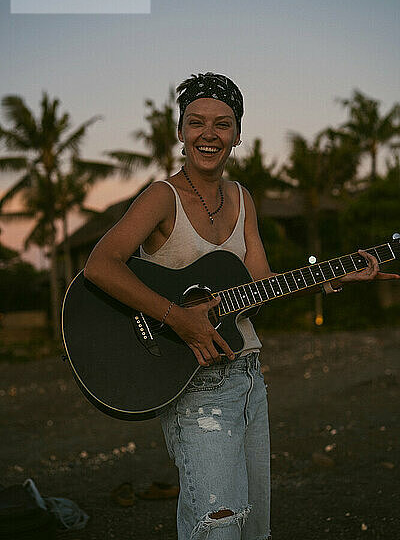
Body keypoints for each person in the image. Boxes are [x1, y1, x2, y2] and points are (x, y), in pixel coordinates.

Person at [83, 72, 399, 540]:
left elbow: (261, 285)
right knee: (219, 528)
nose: (209, 134)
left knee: (253, 527)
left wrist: (330, 278)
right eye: (196, 122)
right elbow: (99, 266)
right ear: (180, 131)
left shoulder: (242, 198)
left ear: (237, 133)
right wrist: (178, 319)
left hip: (248, 376)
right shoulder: (160, 197)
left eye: (223, 123)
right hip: (192, 383)